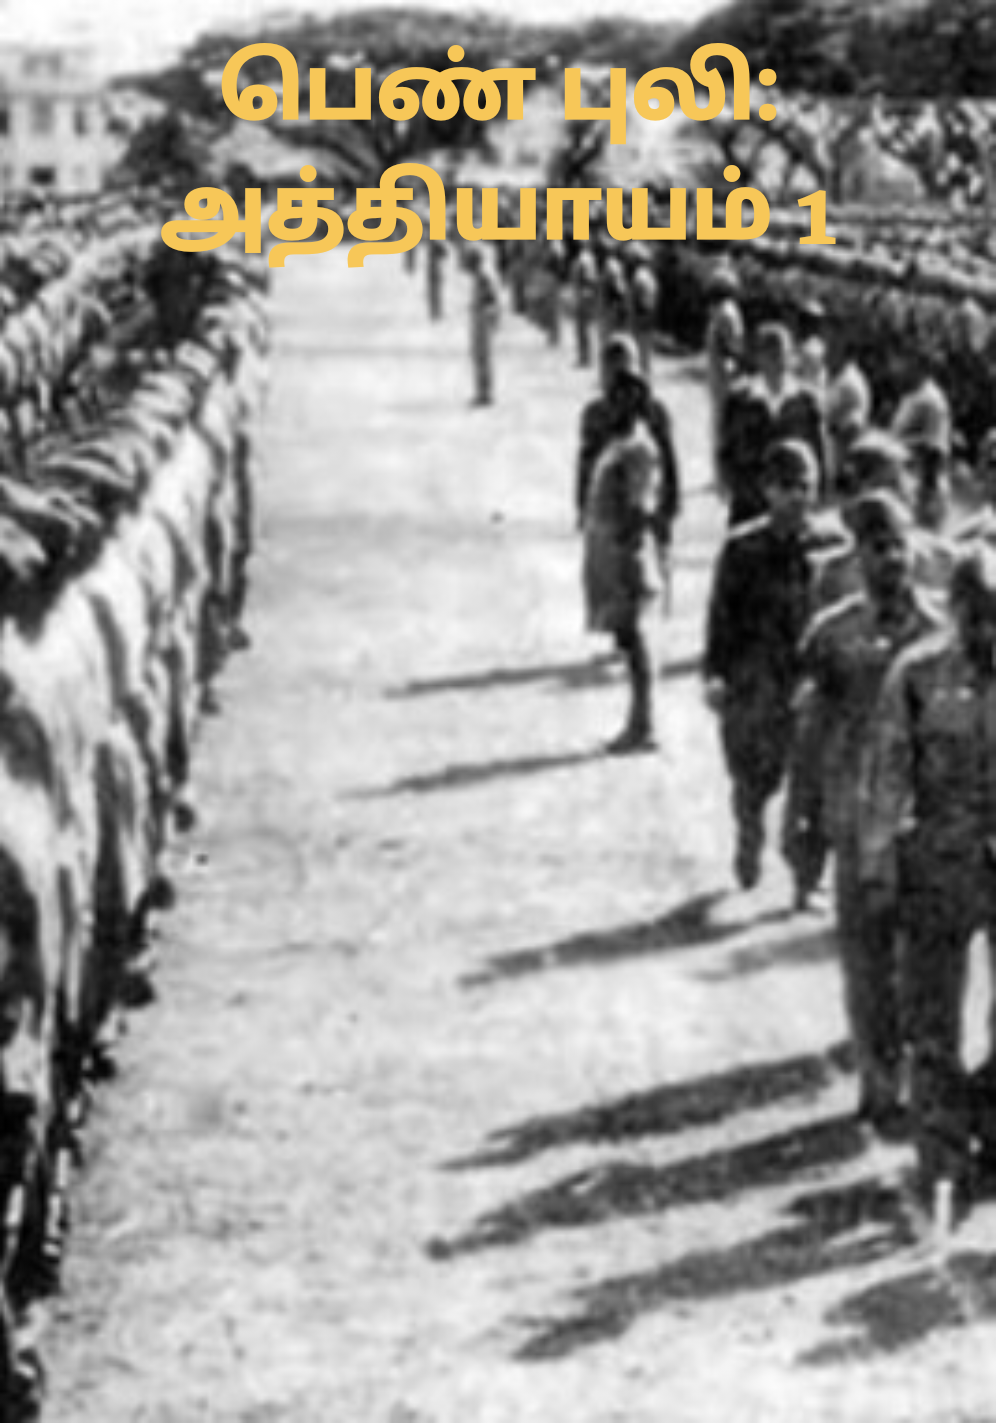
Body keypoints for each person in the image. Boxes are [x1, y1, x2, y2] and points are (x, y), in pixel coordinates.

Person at [785, 491, 943, 1132]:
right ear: (858, 555)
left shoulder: (942, 631)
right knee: (866, 958)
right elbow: (809, 733)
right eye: (879, 548)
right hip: (854, 818)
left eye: (900, 545)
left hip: (924, 821)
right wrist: (800, 817)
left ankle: (917, 1077)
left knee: (921, 960)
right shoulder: (832, 635)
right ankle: (880, 1083)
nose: (892, 559)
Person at [861, 544, 996, 1207]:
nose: (991, 630)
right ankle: (940, 1155)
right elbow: (887, 773)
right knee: (934, 1022)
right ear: (957, 609)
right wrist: (878, 862)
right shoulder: (916, 675)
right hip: (941, 861)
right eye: (981, 615)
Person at [705, 439, 841, 888]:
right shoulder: (743, 549)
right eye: (786, 486)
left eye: (806, 486)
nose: (797, 496)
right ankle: (749, 835)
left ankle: (806, 877)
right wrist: (715, 674)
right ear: (767, 490)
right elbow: (721, 617)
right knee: (752, 775)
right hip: (756, 678)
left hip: (812, 676)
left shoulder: (832, 546)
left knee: (815, 783)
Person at [580, 370, 665, 753]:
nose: (612, 406)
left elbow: (640, 506)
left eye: (620, 399)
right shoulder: (622, 444)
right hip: (613, 555)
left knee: (635, 641)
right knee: (628, 641)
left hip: (628, 557)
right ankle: (638, 721)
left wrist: (625, 550)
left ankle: (643, 723)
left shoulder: (638, 449)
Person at [467, 249, 499, 407]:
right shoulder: (478, 279)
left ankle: (485, 393)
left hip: (482, 323)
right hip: (477, 322)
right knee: (478, 358)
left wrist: (491, 321)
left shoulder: (483, 279)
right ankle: (481, 391)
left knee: (482, 359)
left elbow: (491, 301)